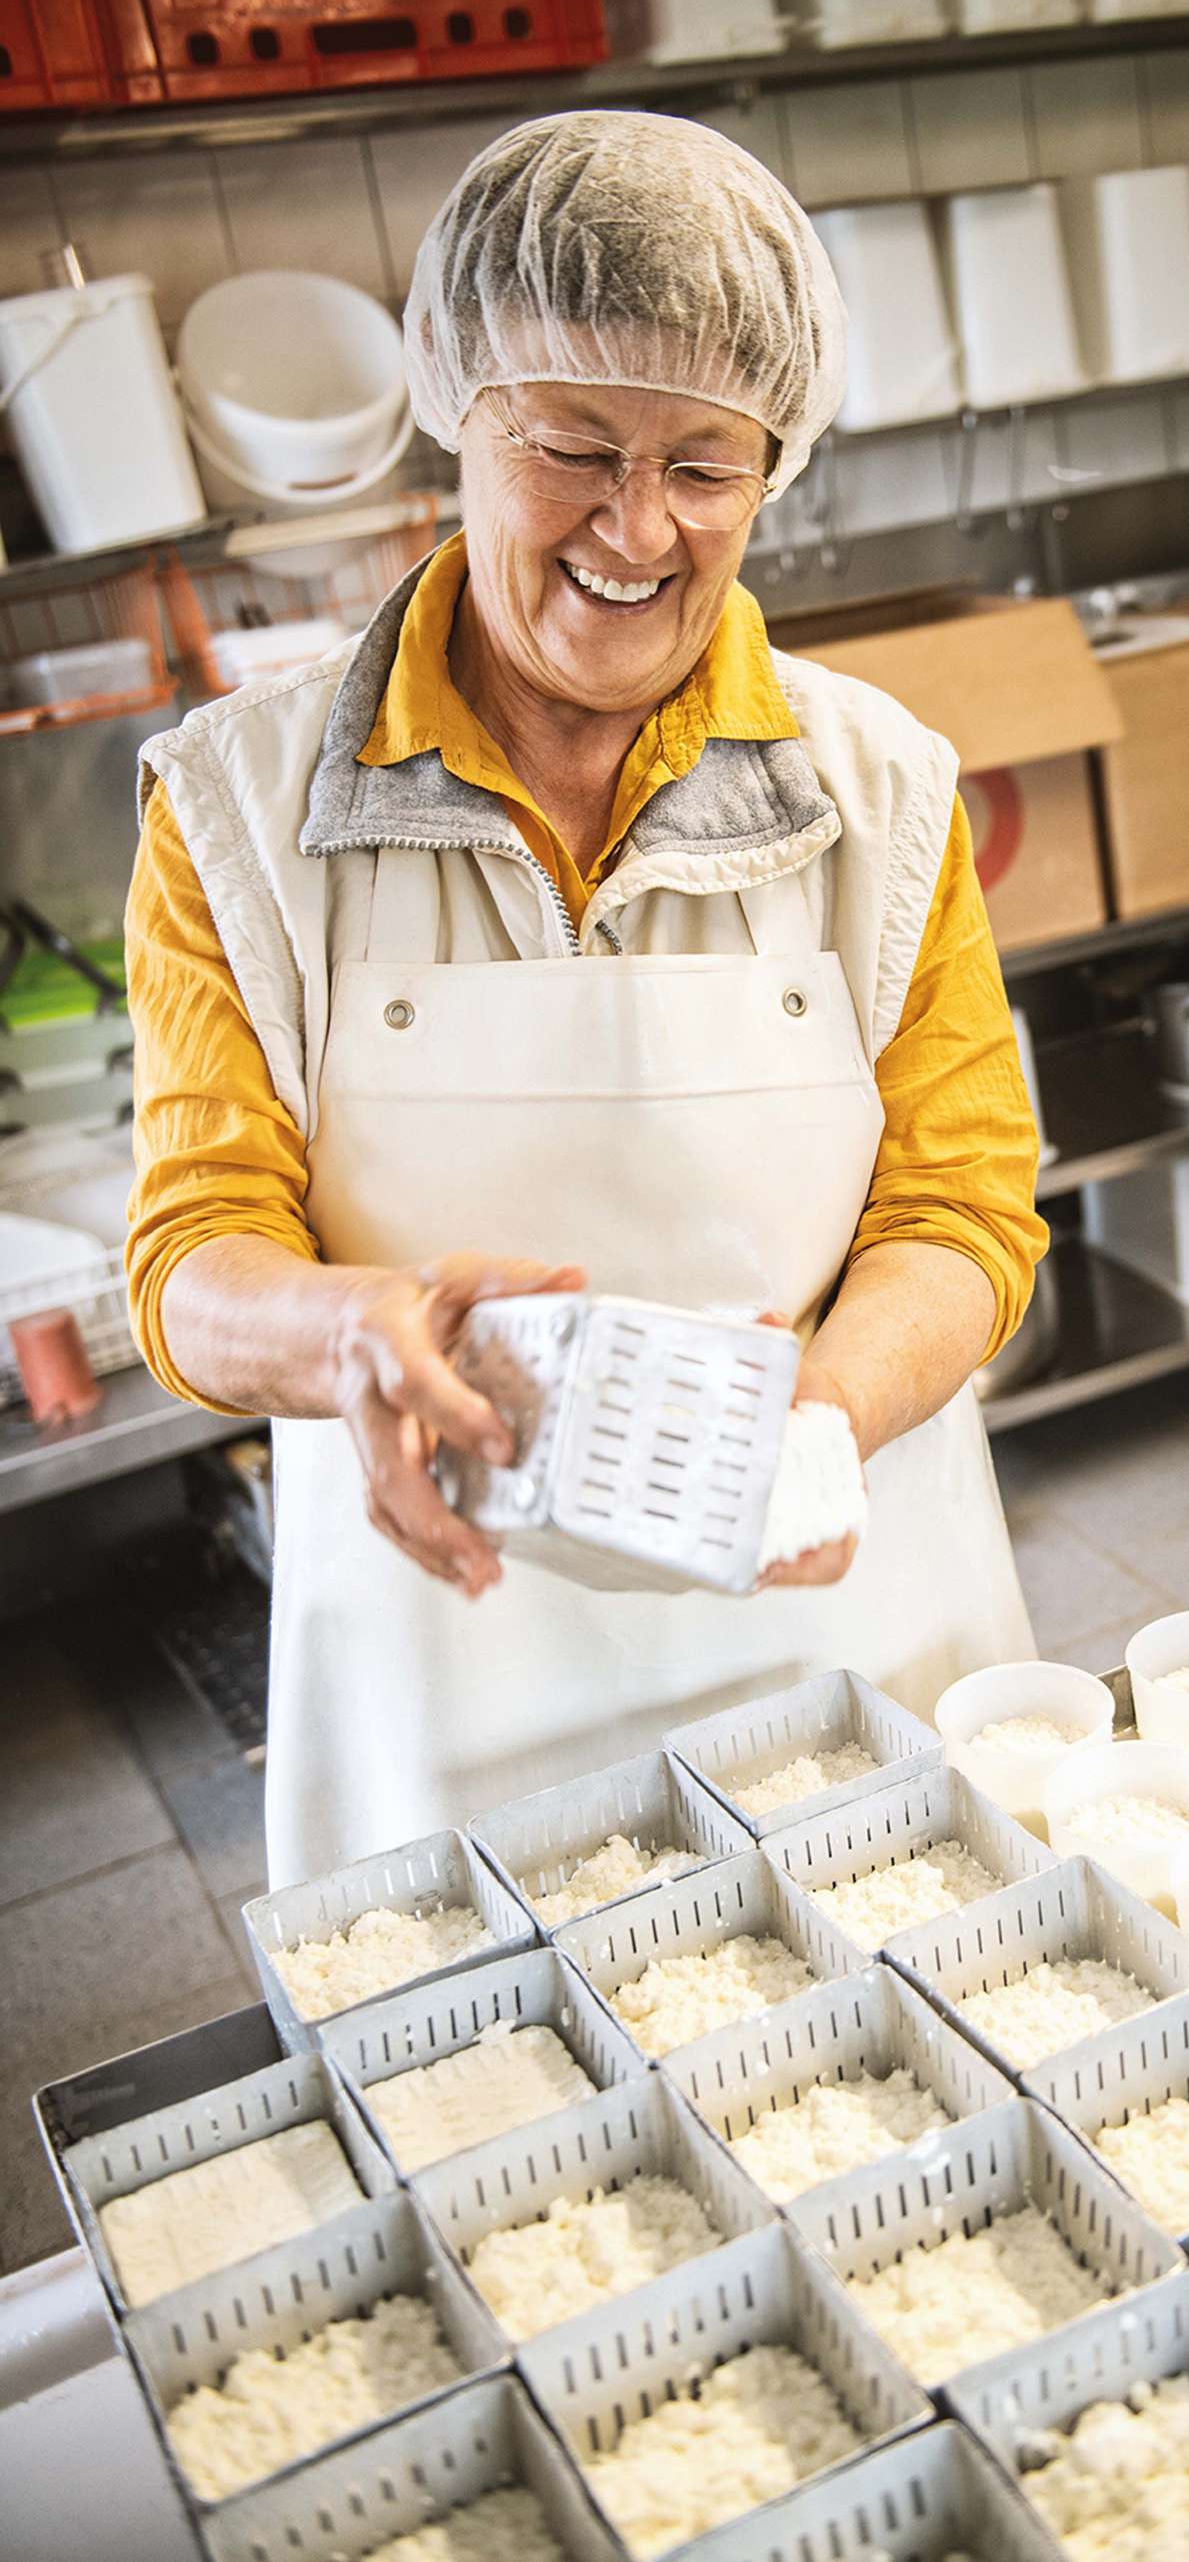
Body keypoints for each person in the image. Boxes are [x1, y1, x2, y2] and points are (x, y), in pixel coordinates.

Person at [124, 112, 1047, 1884]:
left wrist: (813, 1424)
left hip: (839, 1629)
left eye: (709, 464)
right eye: (573, 445)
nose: (639, 527)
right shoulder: (233, 813)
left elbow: (964, 1203)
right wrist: (334, 1331)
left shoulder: (886, 791)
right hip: (445, 1664)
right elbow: (192, 1247)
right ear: (457, 414)